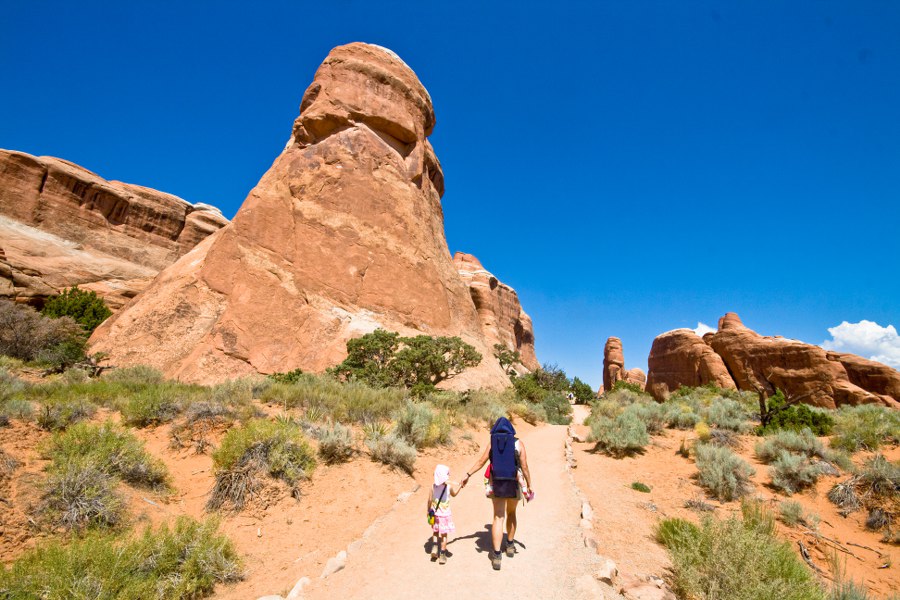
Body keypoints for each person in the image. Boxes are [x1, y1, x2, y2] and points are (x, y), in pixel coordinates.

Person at [462, 417, 533, 570]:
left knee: (498, 517)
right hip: (513, 483)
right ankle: (510, 545)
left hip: (497, 483)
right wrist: (529, 484)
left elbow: (481, 462)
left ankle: (496, 555)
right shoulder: (518, 443)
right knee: (512, 513)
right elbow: (525, 466)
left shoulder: (492, 443)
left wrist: (468, 475)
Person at [428, 464, 464, 564]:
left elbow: (429, 500)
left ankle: (435, 547)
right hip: (445, 516)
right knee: (444, 535)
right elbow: (455, 494)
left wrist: (428, 511)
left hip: (435, 515)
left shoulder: (433, 486)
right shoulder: (449, 487)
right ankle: (442, 554)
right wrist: (460, 486)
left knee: (435, 532)